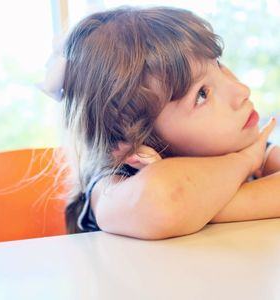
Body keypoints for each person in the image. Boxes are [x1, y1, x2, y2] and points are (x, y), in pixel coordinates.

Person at [42, 6, 280, 240]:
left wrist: (204, 207)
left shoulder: (239, 144)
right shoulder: (110, 184)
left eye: (218, 65)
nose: (241, 90)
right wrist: (244, 162)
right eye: (202, 94)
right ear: (134, 144)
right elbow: (164, 201)